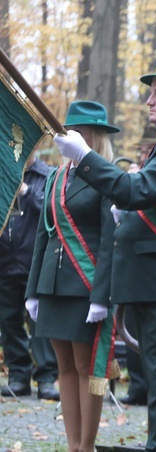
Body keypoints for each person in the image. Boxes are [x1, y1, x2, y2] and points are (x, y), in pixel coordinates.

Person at [53, 56, 156, 451]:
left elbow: (135, 191)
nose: (148, 100)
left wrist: (85, 158)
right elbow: (142, 197)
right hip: (152, 284)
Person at [25, 101, 119, 452]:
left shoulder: (107, 175)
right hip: (52, 284)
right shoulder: (55, 176)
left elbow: (109, 242)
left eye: (77, 131)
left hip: (84, 282)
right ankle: (72, 445)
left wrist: (101, 295)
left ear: (92, 136)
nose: (69, 137)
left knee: (85, 367)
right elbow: (42, 234)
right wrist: (33, 289)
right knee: (62, 365)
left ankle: (86, 446)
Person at [0, 155, 59, 400]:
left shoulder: (48, 176)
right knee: (8, 323)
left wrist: (24, 190)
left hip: (35, 263)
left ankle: (46, 378)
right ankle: (18, 377)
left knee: (41, 324)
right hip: (4, 264)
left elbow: (52, 210)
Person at [120, 123, 156, 406]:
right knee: (131, 328)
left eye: (148, 149)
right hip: (131, 261)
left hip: (152, 263)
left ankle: (149, 386)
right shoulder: (139, 172)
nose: (143, 154)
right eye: (142, 149)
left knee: (149, 333)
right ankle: (137, 386)